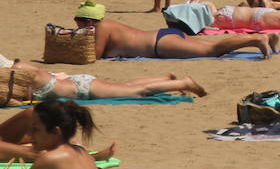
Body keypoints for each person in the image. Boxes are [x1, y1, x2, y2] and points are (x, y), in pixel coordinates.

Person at [72, 0, 277, 59]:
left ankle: (257, 40)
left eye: (78, 22)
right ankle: (263, 37)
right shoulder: (107, 24)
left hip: (160, 45)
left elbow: (93, 56)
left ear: (87, 20)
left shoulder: (99, 28)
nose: (77, 26)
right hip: (162, 36)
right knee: (212, 46)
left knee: (212, 50)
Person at [2, 99, 103, 169]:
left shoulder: (50, 159)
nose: (29, 133)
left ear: (56, 131)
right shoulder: (82, 152)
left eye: (35, 129)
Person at [3, 58, 208, 100]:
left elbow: (12, 98)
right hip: (77, 81)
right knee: (124, 86)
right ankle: (164, 78)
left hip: (82, 89)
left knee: (136, 93)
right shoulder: (20, 68)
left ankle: (184, 84)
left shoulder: (16, 76)